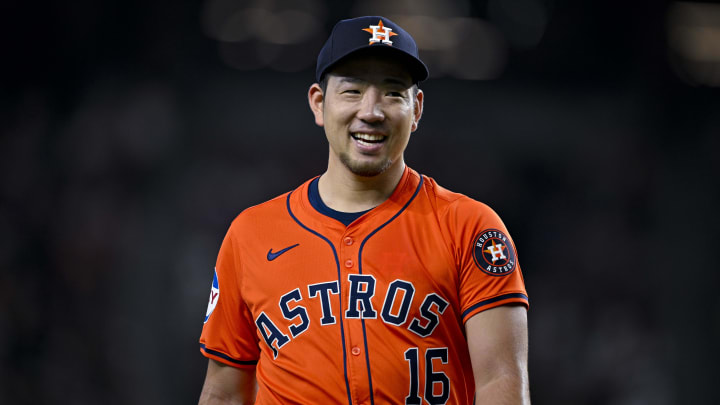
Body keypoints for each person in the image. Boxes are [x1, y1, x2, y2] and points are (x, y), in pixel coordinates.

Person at [198, 16, 530, 405]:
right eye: (352, 90)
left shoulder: (469, 226)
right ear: (319, 104)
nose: (372, 111)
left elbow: (501, 381)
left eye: (393, 93)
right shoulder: (250, 234)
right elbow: (223, 393)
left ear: (417, 109)